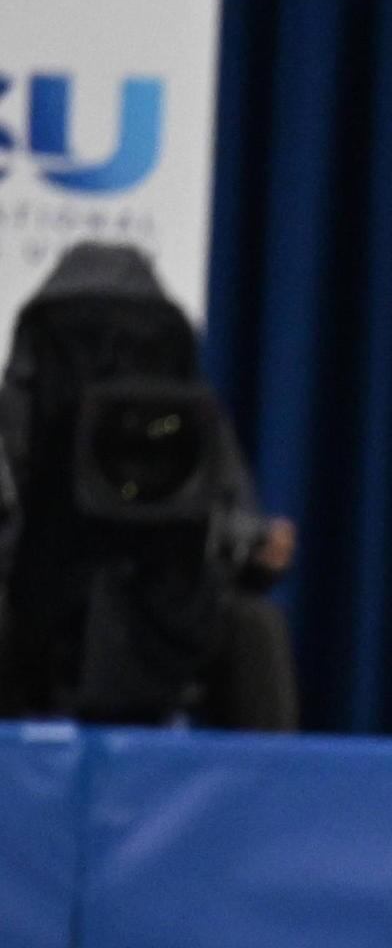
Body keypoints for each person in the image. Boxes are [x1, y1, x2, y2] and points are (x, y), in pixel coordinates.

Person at [0, 242, 297, 729]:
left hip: (170, 610)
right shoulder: (15, 420)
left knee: (256, 627)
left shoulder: (192, 428)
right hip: (38, 615)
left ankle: (267, 778)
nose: (110, 356)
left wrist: (261, 548)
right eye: (84, 340)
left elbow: (233, 526)